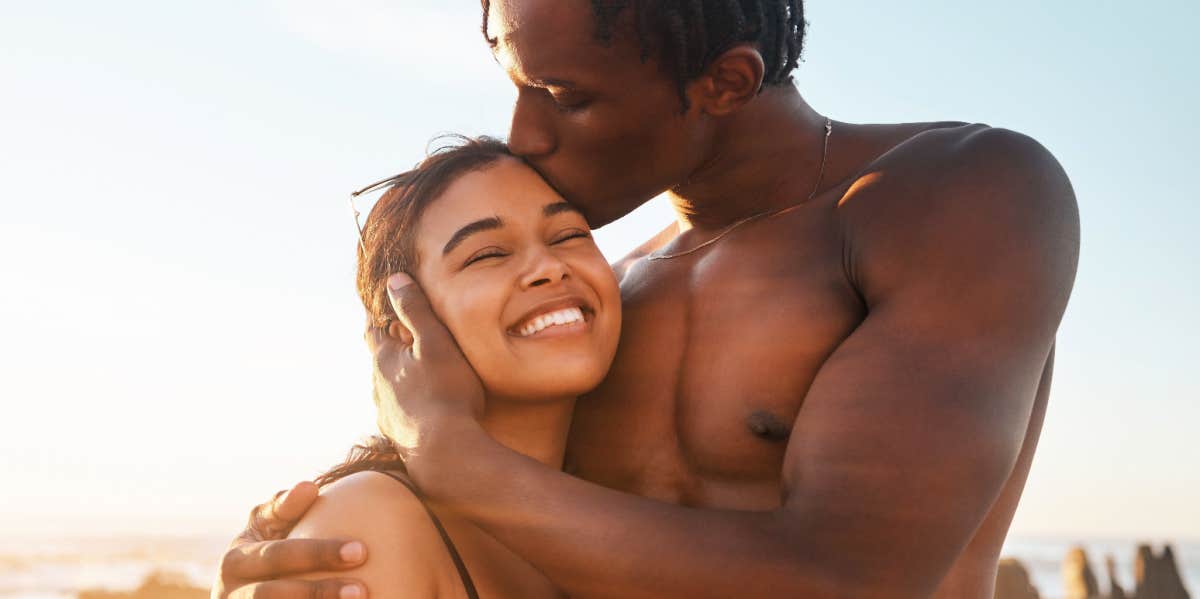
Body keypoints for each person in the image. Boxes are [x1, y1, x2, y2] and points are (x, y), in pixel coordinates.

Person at [215, 1, 1080, 597]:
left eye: (565, 97)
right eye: (518, 83)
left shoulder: (959, 196)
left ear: (726, 84)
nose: (525, 136)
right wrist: (305, 554)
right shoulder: (599, 301)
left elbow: (854, 580)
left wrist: (456, 462)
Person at [279, 137, 618, 599]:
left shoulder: (628, 504)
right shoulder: (367, 528)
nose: (550, 267)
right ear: (402, 326)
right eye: (487, 254)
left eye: (569, 236)